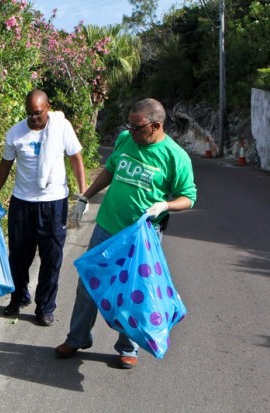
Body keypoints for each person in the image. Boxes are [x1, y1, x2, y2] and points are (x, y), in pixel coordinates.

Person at [56, 98, 197, 369]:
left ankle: (127, 347)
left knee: (133, 291)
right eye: (129, 126)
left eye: (136, 127)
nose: (130, 131)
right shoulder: (125, 140)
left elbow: (188, 197)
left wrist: (165, 205)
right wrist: (86, 196)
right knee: (89, 284)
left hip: (140, 238)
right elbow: (110, 170)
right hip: (106, 228)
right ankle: (77, 338)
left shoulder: (175, 156)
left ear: (155, 126)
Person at [0, 89, 88, 326]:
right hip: (22, 203)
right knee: (19, 256)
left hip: (53, 203)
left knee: (51, 258)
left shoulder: (62, 127)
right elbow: (5, 165)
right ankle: (19, 296)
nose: (33, 118)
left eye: (38, 113)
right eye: (29, 114)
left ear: (48, 108)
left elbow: (76, 158)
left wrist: (83, 195)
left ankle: (45, 307)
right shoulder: (16, 132)